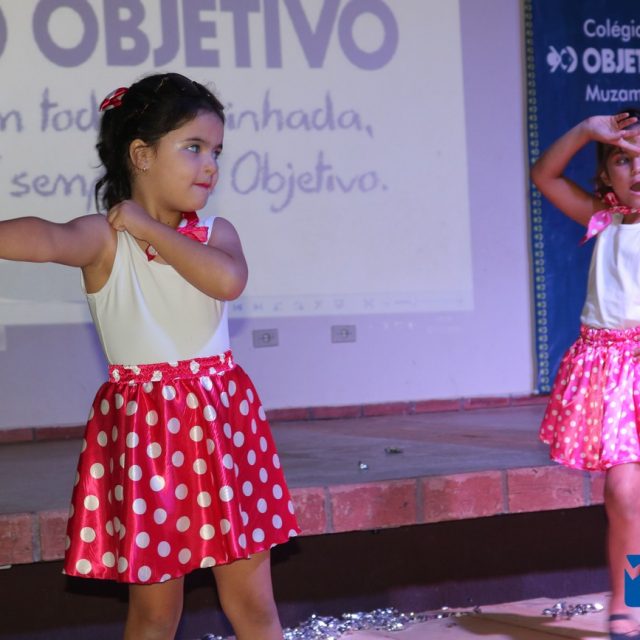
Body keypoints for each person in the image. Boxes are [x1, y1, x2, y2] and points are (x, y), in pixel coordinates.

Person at [0, 72, 300, 640]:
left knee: (253, 604)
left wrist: (145, 226)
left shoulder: (215, 233)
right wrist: (128, 226)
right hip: (150, 437)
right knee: (156, 613)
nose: (210, 165)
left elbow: (227, 281)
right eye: (194, 147)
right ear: (141, 155)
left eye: (216, 152)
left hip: (221, 426)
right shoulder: (104, 239)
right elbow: (45, 238)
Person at [532, 109, 640, 640]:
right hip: (615, 373)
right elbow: (544, 175)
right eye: (623, 159)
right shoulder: (603, 217)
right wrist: (583, 132)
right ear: (605, 174)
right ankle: (628, 597)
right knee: (624, 492)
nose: (637, 170)